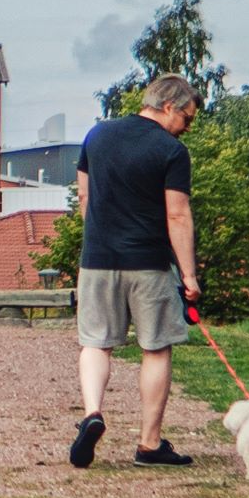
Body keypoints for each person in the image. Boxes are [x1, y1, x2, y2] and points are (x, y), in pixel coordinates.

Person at [66, 72, 206, 468]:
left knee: (95, 342)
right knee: (156, 348)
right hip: (149, 264)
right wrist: (190, 277)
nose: (187, 129)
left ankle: (92, 413)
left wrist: (97, 236)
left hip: (97, 260)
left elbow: (85, 195)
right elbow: (177, 215)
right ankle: (149, 444)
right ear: (168, 107)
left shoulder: (97, 135)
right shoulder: (171, 151)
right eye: (187, 119)